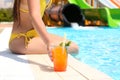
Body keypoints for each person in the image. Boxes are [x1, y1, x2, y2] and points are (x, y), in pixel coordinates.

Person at [9, 0, 78, 56]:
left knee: (71, 45)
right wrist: (49, 42)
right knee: (72, 47)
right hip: (22, 40)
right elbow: (34, 16)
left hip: (34, 35)